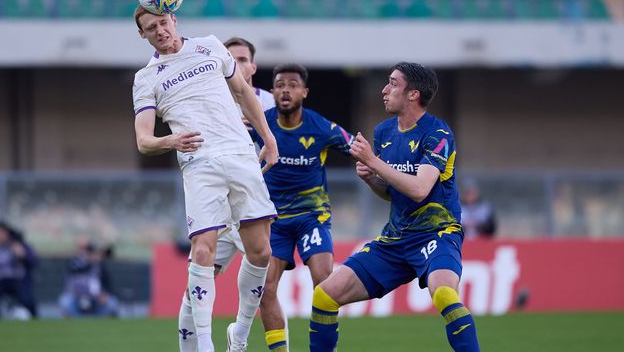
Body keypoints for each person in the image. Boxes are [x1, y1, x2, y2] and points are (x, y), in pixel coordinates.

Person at [132, 6, 278, 352]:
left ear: (174, 20)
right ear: (143, 34)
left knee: (261, 253)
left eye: (163, 23)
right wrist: (171, 141)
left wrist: (269, 139)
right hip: (199, 165)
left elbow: (243, 93)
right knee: (202, 253)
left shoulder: (211, 46)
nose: (160, 31)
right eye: (151, 28)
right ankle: (206, 346)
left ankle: (239, 337)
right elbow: (143, 140)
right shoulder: (147, 77)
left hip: (241, 155)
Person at [309, 62, 481, 351]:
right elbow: (393, 193)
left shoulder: (438, 134)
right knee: (324, 296)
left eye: (392, 83)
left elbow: (418, 189)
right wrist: (372, 179)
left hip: (437, 234)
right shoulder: (384, 132)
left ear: (413, 94)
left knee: (445, 296)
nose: (384, 90)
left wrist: (374, 162)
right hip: (396, 239)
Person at [176, 36, 276, 352]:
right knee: (196, 289)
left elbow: (288, 146)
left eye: (244, 59)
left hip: (254, 207)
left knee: (267, 283)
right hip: (220, 212)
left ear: (253, 66)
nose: (238, 64)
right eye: (232, 58)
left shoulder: (271, 103)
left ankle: (241, 337)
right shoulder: (209, 101)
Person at [249, 63, 354, 352]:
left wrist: (381, 171)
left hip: (312, 218)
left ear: (304, 92)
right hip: (273, 220)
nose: (286, 90)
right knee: (264, 289)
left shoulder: (321, 127)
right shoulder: (260, 122)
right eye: (280, 84)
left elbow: (358, 148)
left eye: (293, 85)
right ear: (272, 91)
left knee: (325, 285)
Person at [0, 221, 38, 319]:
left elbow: (34, 262)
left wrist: (22, 255)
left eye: (2, 233)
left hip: (17, 280)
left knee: (26, 298)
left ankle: (34, 318)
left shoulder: (19, 246)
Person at [58, 239, 119, 317]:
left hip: (97, 298)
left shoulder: (101, 267)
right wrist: (88, 261)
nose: (96, 256)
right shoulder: (76, 263)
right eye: (93, 253)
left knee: (112, 303)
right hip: (76, 296)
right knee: (65, 301)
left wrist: (104, 294)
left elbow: (108, 285)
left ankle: (99, 321)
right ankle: (75, 321)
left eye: (97, 253)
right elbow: (74, 273)